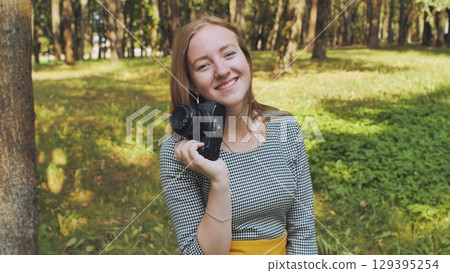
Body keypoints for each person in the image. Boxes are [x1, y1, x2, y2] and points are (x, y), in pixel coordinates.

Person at [159, 15, 317, 255]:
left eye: (229, 54)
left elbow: (303, 230)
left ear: (247, 60)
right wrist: (219, 181)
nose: (222, 70)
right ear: (191, 83)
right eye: (204, 65)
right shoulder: (180, 153)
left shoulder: (285, 127)